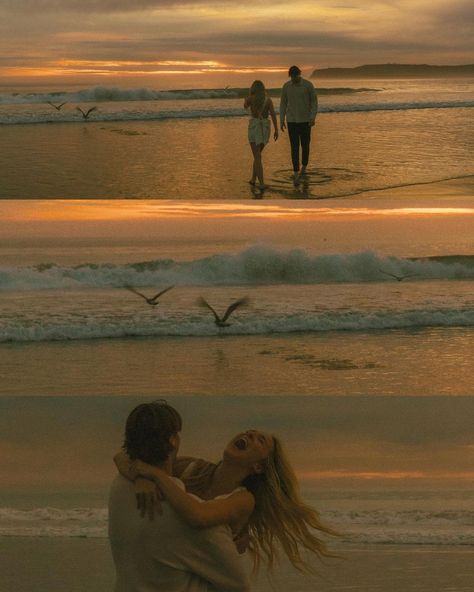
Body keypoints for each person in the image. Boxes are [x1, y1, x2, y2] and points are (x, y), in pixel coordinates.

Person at [116, 419, 337, 574]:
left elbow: (197, 515)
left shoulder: (242, 500)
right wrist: (141, 478)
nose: (249, 435)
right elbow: (122, 456)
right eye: (249, 431)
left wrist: (153, 475)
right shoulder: (191, 468)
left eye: (260, 441)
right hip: (164, 569)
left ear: (259, 466)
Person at [108, 401, 250, 592]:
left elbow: (122, 457)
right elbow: (239, 585)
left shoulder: (119, 486)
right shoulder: (191, 522)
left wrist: (144, 476)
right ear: (173, 440)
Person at [279, 66, 318, 181]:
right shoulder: (286, 86)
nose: (294, 79)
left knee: (305, 146)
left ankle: (304, 167)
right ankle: (296, 172)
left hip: (306, 121)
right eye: (292, 77)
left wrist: (312, 117)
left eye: (295, 76)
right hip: (292, 121)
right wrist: (281, 119)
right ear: (290, 76)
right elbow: (283, 104)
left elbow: (314, 102)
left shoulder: (308, 85)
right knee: (294, 147)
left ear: (299, 74)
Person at [244, 80, 278, 190]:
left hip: (254, 127)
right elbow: (273, 115)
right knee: (257, 155)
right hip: (265, 128)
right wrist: (276, 129)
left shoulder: (251, 99)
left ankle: (261, 183)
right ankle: (253, 179)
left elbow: (245, 106)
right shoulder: (268, 100)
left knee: (257, 156)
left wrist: (247, 98)